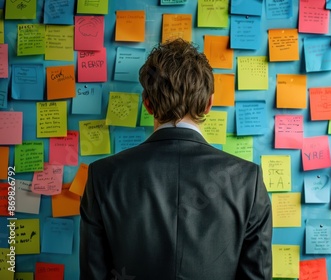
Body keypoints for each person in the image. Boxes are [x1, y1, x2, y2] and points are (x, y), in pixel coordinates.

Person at [80, 39, 273, 280]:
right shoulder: (248, 180)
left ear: (147, 104)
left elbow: (93, 274)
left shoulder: (102, 175)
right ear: (208, 103)